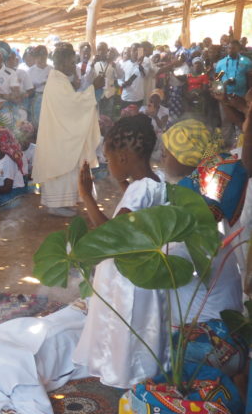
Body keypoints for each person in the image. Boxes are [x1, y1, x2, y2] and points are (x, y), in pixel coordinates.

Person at [74, 114, 169, 388]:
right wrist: (123, 185)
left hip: (126, 279)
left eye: (109, 159)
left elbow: (113, 237)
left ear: (124, 157)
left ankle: (122, 378)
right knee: (141, 327)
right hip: (144, 274)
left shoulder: (139, 190)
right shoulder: (156, 180)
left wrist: (87, 197)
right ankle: (139, 373)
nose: (108, 165)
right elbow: (137, 217)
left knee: (122, 326)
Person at [33, 43, 101, 217]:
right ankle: (55, 204)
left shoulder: (59, 79)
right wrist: (93, 88)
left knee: (69, 165)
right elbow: (73, 104)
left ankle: (64, 202)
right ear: (63, 63)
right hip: (58, 136)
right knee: (61, 166)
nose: (74, 65)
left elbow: (72, 102)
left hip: (60, 133)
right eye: (72, 62)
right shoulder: (57, 81)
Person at [162, 119, 247, 227]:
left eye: (165, 154)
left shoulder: (192, 189)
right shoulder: (221, 163)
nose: (162, 158)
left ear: (186, 158)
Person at [215, 39, 252, 147]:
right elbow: (218, 79)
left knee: (241, 120)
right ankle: (227, 145)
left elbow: (249, 79)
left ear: (239, 49)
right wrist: (219, 90)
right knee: (226, 121)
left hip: (241, 97)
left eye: (234, 48)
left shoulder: (246, 62)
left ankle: (240, 145)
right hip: (225, 97)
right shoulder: (221, 63)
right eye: (229, 48)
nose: (231, 50)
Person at [0, 127, 27, 210]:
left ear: (0, 144)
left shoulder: (8, 159)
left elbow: (7, 188)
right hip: (2, 190)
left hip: (14, 192)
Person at [139, 89, 169, 162]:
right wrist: (146, 115)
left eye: (156, 99)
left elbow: (162, 126)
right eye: (152, 99)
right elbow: (139, 123)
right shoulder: (143, 109)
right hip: (146, 134)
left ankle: (152, 157)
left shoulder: (165, 110)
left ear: (160, 101)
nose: (153, 101)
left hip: (158, 136)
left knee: (161, 139)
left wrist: (155, 116)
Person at [119, 43, 151, 108]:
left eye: (138, 50)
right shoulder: (124, 64)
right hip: (126, 97)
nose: (136, 52)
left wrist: (139, 64)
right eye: (134, 50)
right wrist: (122, 84)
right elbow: (119, 79)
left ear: (141, 52)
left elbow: (144, 75)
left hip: (138, 98)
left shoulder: (145, 64)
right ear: (130, 51)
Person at [27, 45, 51, 125]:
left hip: (49, 98)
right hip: (35, 99)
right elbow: (28, 88)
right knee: (37, 122)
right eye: (38, 56)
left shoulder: (52, 69)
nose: (41, 59)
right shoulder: (30, 71)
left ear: (46, 56)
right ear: (35, 58)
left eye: (43, 56)